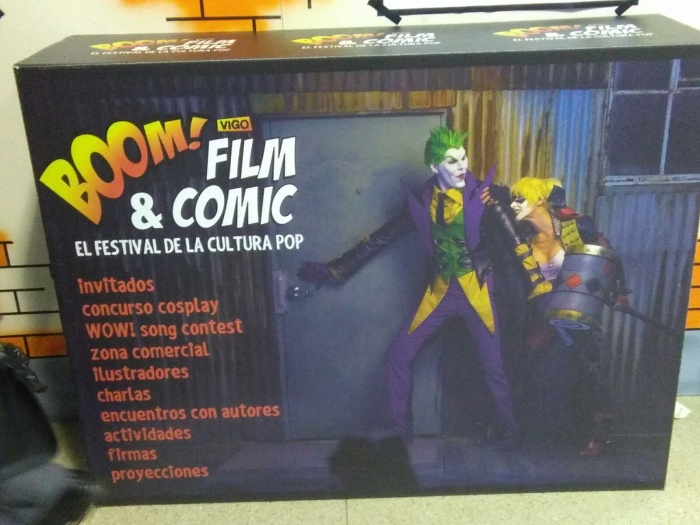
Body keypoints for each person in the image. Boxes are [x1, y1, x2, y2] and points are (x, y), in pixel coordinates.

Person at [298, 126, 524, 449]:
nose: (462, 166)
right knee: (397, 355)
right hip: (440, 294)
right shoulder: (423, 201)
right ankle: (399, 431)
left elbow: (516, 237)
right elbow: (382, 237)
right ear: (434, 167)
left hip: (478, 292)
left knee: (494, 368)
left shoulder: (484, 195)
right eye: (451, 161)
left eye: (463, 158)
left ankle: (510, 430)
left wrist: (504, 196)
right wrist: (336, 268)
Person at [505, 177, 629, 456]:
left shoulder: (574, 226)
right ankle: (538, 436)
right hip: (543, 316)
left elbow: (609, 256)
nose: (514, 205)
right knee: (531, 366)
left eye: (519, 199)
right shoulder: (521, 236)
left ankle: (598, 433)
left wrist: (620, 292)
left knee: (584, 368)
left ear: (538, 200)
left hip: (577, 315)